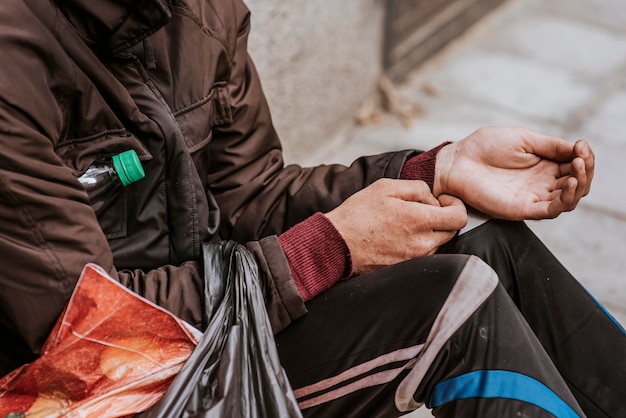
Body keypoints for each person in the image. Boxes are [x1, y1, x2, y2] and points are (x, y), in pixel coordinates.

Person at [0, 0, 623, 417]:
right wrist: (331, 247)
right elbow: (88, 331)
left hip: (220, 322)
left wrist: (433, 171)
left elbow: (254, 195)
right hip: (83, 390)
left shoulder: (199, 14)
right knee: (457, 302)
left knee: (493, 250)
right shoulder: (14, 61)